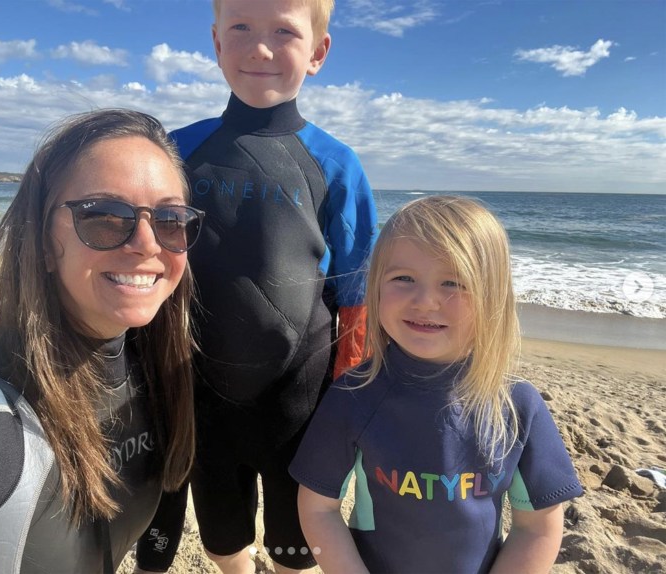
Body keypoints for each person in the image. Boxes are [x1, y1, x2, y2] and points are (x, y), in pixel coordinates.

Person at [0, 109, 205, 574]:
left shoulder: (160, 368)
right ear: (43, 241)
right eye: (105, 216)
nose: (147, 243)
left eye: (169, 219)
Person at [135, 1, 377, 573]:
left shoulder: (338, 167)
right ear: (217, 42)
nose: (259, 48)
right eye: (240, 28)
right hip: (198, 394)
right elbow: (144, 260)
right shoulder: (174, 152)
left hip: (301, 401)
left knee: (297, 550)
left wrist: (352, 399)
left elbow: (358, 297)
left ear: (318, 52)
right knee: (222, 540)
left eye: (283, 32)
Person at [290, 195, 584, 574]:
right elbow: (318, 507)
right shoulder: (355, 395)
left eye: (453, 282)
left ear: (492, 297)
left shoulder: (516, 404)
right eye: (403, 278)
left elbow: (538, 526)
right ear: (375, 285)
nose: (426, 301)